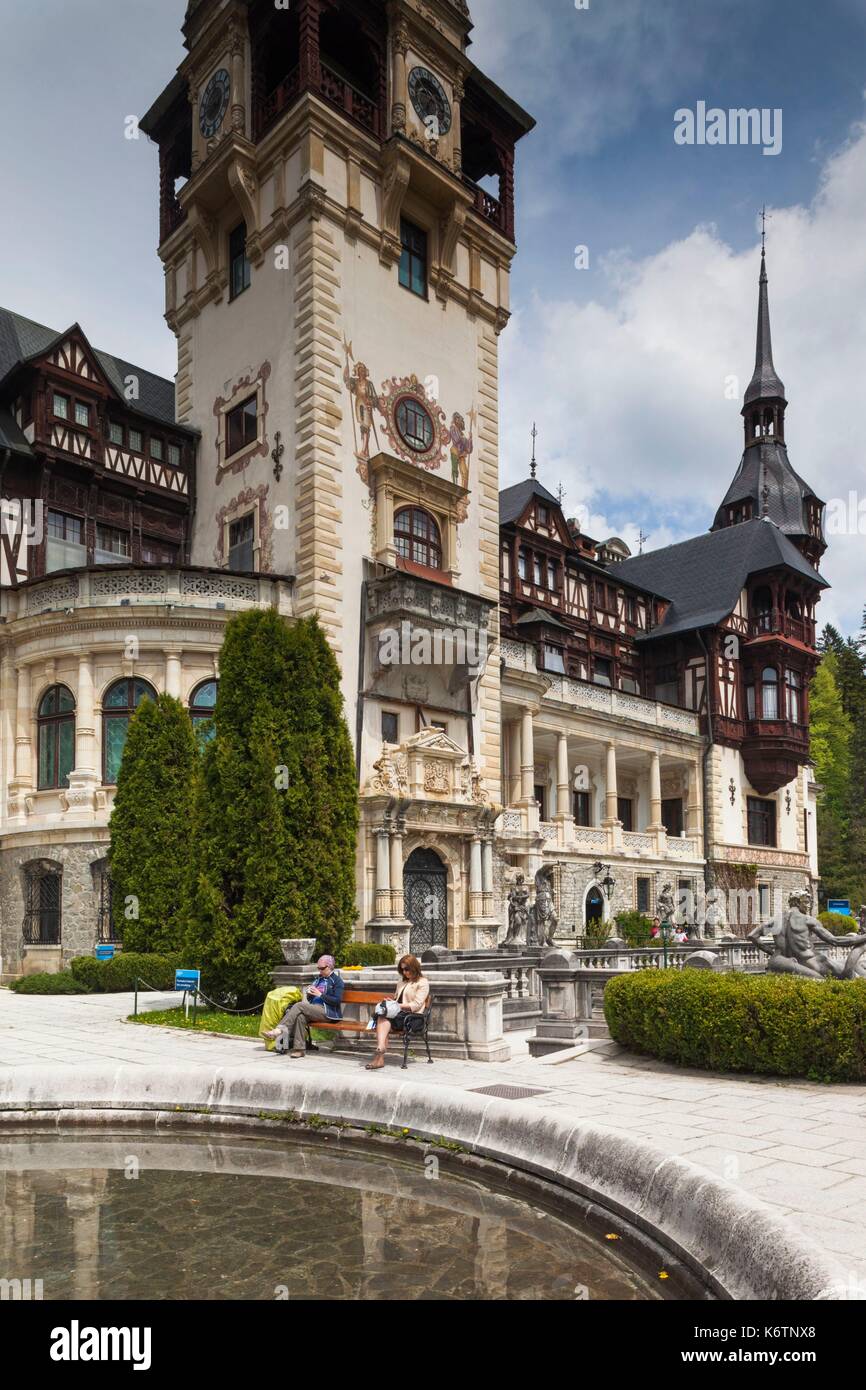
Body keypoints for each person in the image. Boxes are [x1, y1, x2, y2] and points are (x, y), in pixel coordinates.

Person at [263, 955, 344, 1058]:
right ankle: (300, 1049)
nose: (319, 971)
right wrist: (310, 994)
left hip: (328, 1012)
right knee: (300, 1017)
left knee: (299, 1006)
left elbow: (337, 1001)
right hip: (315, 1009)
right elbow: (311, 999)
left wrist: (320, 995)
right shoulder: (319, 979)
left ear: (329, 967)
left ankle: (279, 1030)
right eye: (318, 968)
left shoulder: (337, 981)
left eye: (322, 968)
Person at [366, 955, 430, 1071]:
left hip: (413, 1018)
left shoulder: (422, 982)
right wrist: (392, 1002)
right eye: (402, 970)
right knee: (382, 1015)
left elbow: (416, 1005)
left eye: (407, 969)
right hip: (399, 1015)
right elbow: (397, 999)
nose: (405, 972)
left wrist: (397, 1005)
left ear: (414, 968)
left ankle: (379, 1054)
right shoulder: (401, 982)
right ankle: (380, 1052)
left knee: (383, 1018)